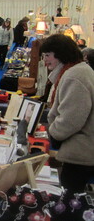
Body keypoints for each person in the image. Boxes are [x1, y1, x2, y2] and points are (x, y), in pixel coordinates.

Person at [40, 34, 94, 194]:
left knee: (70, 200)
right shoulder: (77, 71)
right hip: (84, 149)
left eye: (48, 55)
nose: (45, 60)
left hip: (82, 154)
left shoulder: (73, 77)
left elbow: (71, 119)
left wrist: (53, 133)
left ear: (60, 54)